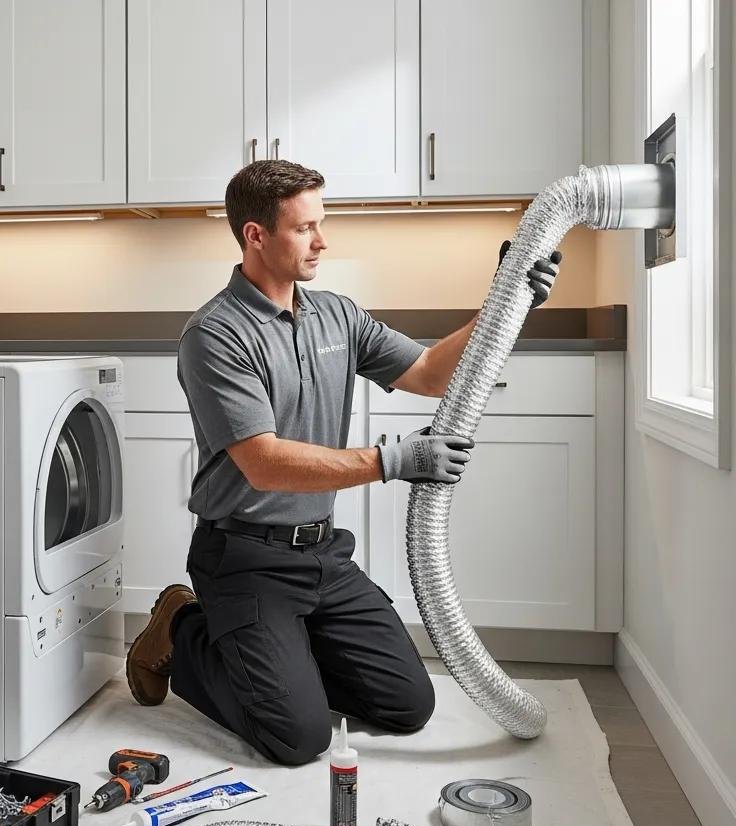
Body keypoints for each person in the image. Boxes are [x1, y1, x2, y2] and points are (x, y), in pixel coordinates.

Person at [126, 159, 561, 766]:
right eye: (306, 228)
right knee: (297, 739)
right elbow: (264, 463)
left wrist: (507, 302)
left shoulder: (338, 315)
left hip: (323, 555)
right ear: (256, 235)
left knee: (407, 705)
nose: (322, 241)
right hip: (245, 558)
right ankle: (183, 628)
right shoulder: (215, 334)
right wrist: (392, 460)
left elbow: (433, 374)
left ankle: (280, 656)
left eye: (320, 225)